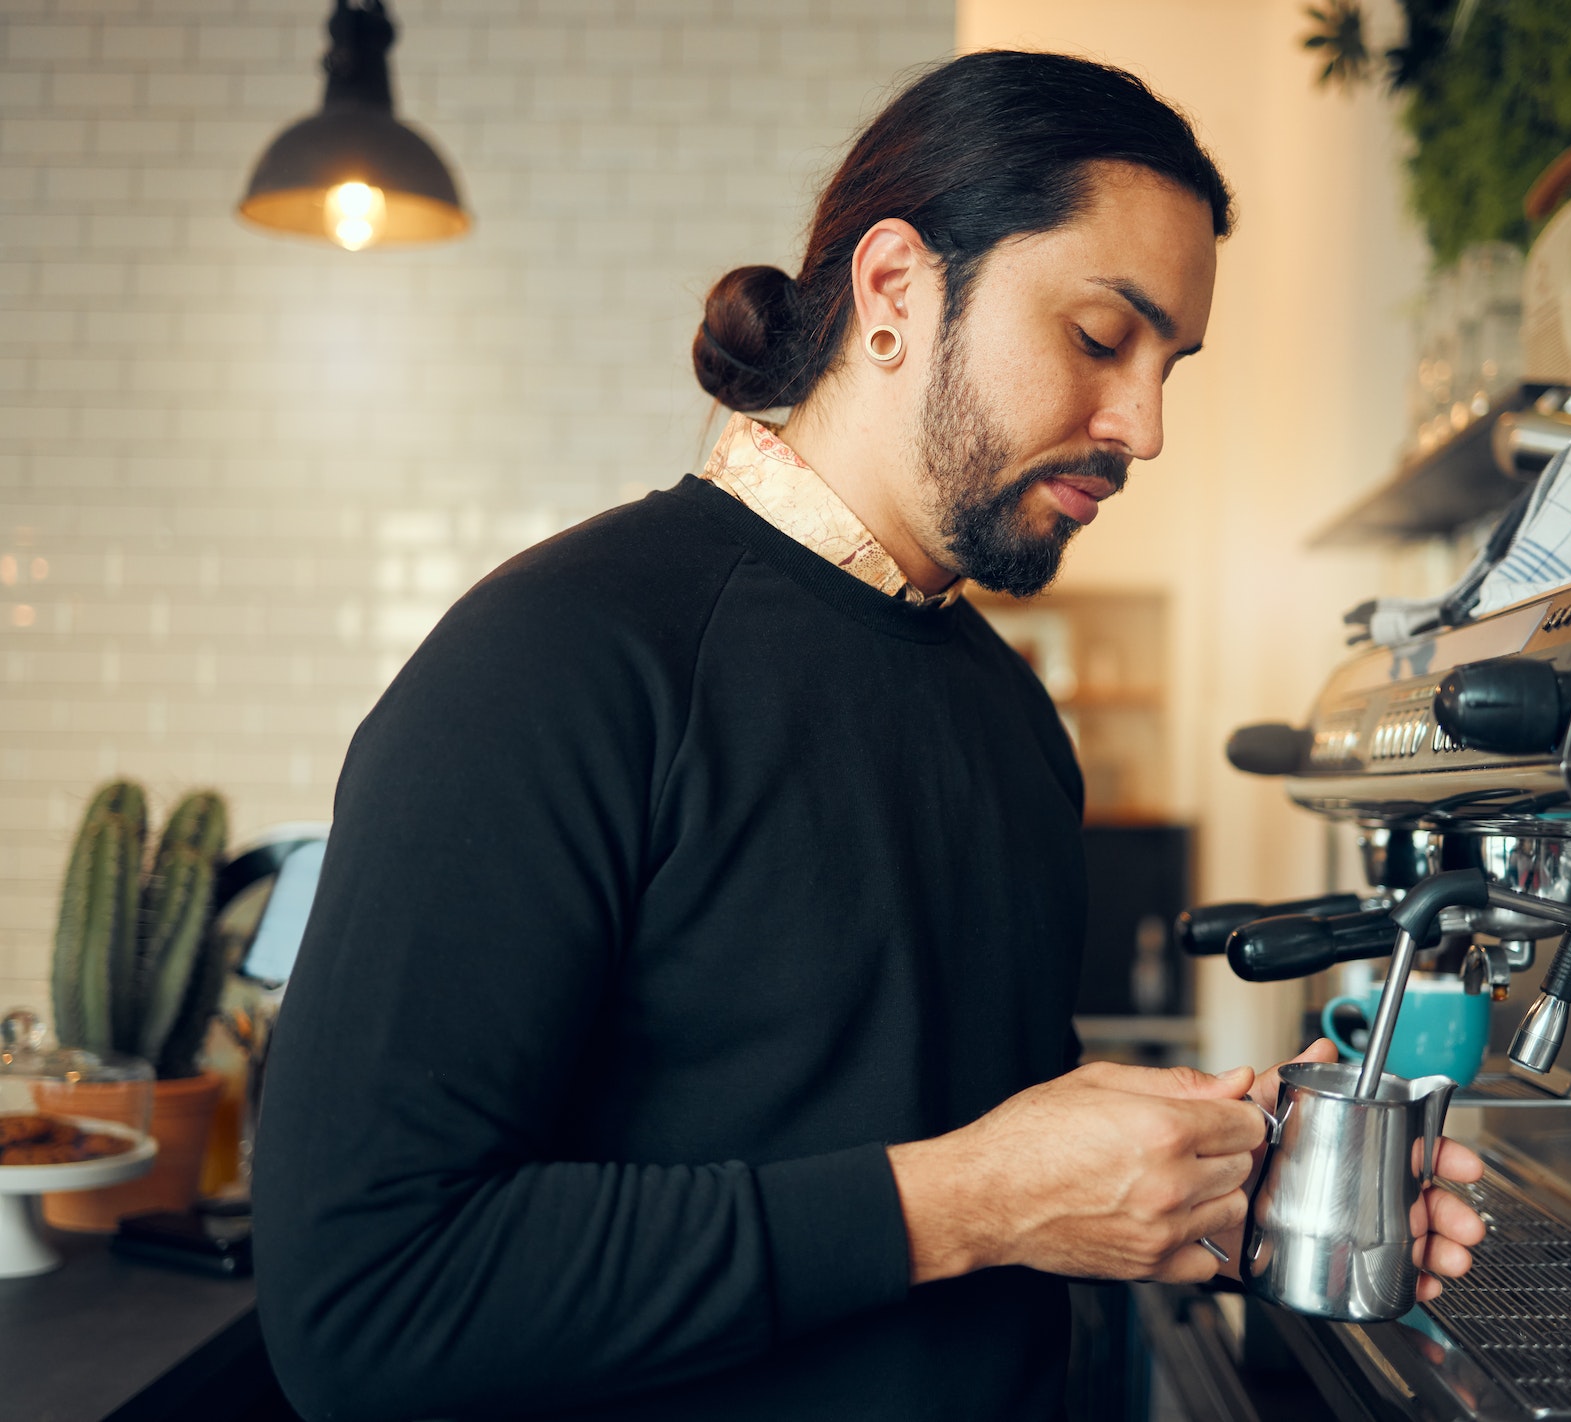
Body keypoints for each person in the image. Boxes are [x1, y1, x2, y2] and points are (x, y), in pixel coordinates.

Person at [254, 50, 1484, 1422]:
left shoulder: (1012, 717)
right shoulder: (556, 660)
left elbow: (964, 1149)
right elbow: (363, 1301)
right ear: (895, 288)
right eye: (1098, 338)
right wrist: (972, 1200)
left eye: (1166, 365)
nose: (1141, 426)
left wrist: (1227, 1181)